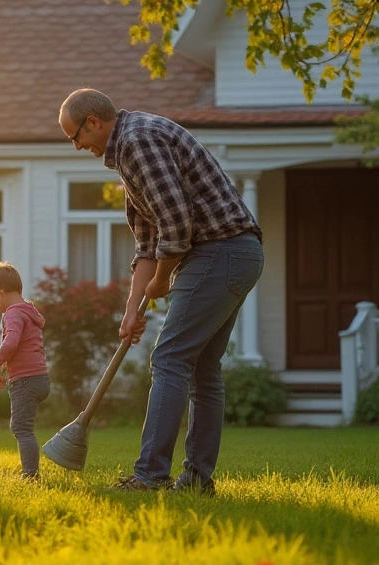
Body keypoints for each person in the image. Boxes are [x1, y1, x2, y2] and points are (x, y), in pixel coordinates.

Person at [58, 88, 264, 495]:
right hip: (234, 253)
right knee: (202, 370)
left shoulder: (138, 141)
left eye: (75, 136)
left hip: (221, 251)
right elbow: (148, 244)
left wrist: (163, 279)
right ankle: (196, 481)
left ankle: (150, 476)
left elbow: (176, 222)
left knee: (169, 358)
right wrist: (132, 309)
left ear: (94, 122)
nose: (78, 145)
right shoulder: (130, 154)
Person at [0, 262, 51, 479]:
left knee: (22, 428)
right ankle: (31, 472)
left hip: (27, 381)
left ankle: (30, 476)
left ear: (2, 293)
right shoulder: (28, 310)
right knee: (24, 427)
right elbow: (21, 347)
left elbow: (11, 342)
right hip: (40, 378)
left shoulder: (12, 313)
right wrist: (6, 369)